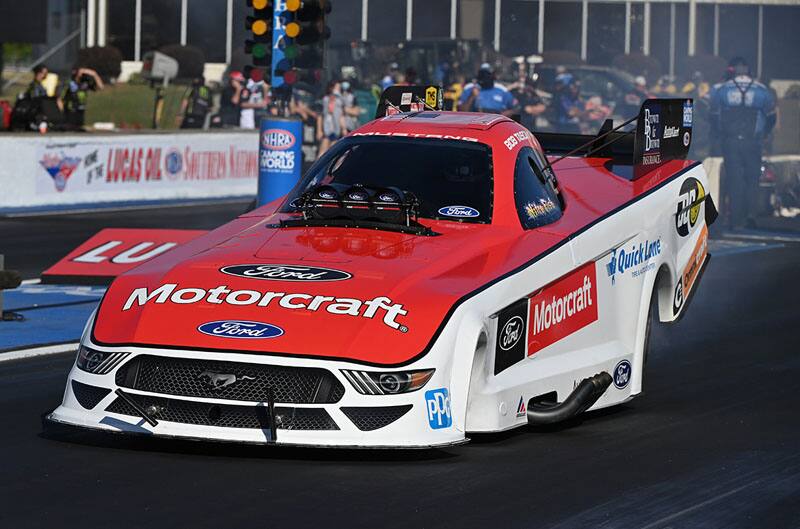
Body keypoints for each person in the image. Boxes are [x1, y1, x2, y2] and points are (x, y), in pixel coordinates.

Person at [709, 57, 777, 230]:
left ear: (732, 69)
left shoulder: (722, 89)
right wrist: (764, 134)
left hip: (730, 141)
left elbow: (714, 115)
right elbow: (771, 116)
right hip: (753, 142)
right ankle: (750, 215)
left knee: (734, 179)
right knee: (752, 179)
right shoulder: (761, 90)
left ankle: (734, 219)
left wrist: (720, 134)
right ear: (747, 69)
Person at [316, 80, 347, 156]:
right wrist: (319, 130)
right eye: (336, 87)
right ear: (331, 88)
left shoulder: (340, 101)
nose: (338, 90)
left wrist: (344, 129)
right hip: (326, 128)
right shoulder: (324, 99)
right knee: (323, 150)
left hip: (336, 128)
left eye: (339, 88)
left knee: (334, 151)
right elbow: (320, 116)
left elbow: (341, 116)